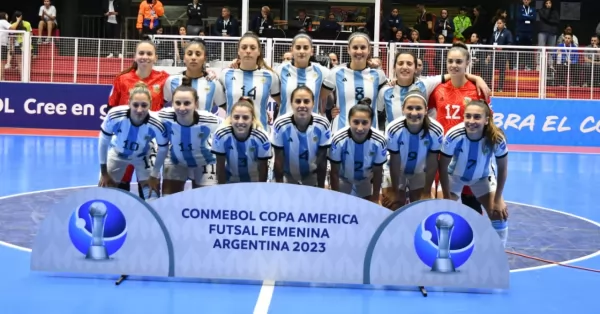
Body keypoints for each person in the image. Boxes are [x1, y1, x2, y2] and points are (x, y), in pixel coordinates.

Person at [428, 42, 490, 213]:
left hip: (468, 152)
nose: (454, 65)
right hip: (444, 154)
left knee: (471, 201)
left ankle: (473, 235)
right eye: (451, 61)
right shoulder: (437, 90)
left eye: (458, 61)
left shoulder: (477, 90)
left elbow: (486, 121)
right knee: (444, 202)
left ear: (467, 63)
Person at [439, 100, 509, 247]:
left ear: (486, 120)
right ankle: (446, 252)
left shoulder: (496, 138)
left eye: (477, 117)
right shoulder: (454, 135)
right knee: (443, 213)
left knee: (499, 214)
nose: (471, 121)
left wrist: (497, 199)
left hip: (482, 178)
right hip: (455, 176)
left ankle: (498, 252)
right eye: (468, 116)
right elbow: (443, 166)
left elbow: (502, 169)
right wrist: (446, 197)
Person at [108, 39, 169, 194]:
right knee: (121, 183)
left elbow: (187, 81)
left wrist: (207, 72)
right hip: (125, 141)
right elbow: (111, 108)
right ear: (135, 56)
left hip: (150, 143)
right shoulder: (122, 79)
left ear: (155, 57)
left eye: (149, 53)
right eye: (141, 53)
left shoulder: (164, 79)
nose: (145, 57)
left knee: (149, 187)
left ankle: (148, 215)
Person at [378, 50, 489, 127]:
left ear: (415, 68)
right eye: (400, 63)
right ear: (394, 67)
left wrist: (476, 78)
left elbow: (453, 73)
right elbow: (377, 116)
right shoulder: (385, 91)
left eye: (409, 63)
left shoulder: (425, 84)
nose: (405, 67)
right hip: (391, 146)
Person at [98, 82, 169, 199]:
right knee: (105, 193)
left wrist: (154, 175)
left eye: (144, 105)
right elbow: (103, 141)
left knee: (152, 196)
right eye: (135, 105)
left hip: (144, 155)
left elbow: (163, 148)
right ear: (129, 103)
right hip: (118, 153)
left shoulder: (157, 122)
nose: (139, 110)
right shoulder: (115, 115)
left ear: (150, 105)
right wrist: (104, 173)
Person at [158, 80, 222, 195]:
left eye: (187, 103)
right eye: (177, 103)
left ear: (196, 104)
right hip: (176, 160)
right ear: (172, 103)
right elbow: (145, 117)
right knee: (168, 200)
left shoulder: (210, 120)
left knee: (205, 204)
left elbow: (230, 128)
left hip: (205, 161)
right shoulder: (164, 115)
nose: (182, 108)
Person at [384, 89, 444, 210]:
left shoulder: (436, 130)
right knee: (393, 205)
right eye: (410, 108)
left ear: (426, 110)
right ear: (403, 109)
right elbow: (394, 161)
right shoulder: (393, 129)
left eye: (418, 108)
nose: (414, 112)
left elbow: (433, 162)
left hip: (421, 172)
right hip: (397, 171)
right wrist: (395, 190)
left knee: (423, 206)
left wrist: (427, 191)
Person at [321, 32, 388, 132]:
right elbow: (321, 96)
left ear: (369, 50)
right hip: (341, 132)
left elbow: (387, 97)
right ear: (348, 49)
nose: (359, 51)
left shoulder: (378, 75)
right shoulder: (336, 72)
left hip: (370, 132)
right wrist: (328, 112)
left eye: (363, 47)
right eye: (355, 47)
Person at [328, 99, 387, 203]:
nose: (360, 128)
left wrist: (375, 198)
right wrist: (335, 198)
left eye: (365, 123)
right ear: (349, 121)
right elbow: (334, 172)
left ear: (371, 122)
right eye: (356, 122)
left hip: (365, 180)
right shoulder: (338, 139)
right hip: (343, 178)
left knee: (366, 212)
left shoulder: (379, 140)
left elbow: (378, 172)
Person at [271, 86, 331, 187]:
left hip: (312, 174)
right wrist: (279, 187)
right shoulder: (280, 124)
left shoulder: (323, 124)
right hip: (286, 174)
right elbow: (278, 160)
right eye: (298, 101)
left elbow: (322, 160)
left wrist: (320, 189)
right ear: (291, 104)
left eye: (306, 101)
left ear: (313, 104)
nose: (302, 105)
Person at [219, 32, 281, 130]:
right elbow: (217, 101)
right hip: (231, 133)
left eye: (252, 48)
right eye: (244, 47)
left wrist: (260, 112)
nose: (248, 51)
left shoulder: (270, 76)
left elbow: (283, 104)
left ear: (259, 52)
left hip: (260, 134)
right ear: (238, 51)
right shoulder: (225, 74)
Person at [211, 98, 272, 183]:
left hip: (254, 180)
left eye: (245, 118)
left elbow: (263, 168)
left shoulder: (261, 137)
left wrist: (260, 189)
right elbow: (220, 167)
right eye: (236, 117)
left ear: (252, 119)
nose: (240, 121)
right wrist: (222, 190)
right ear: (231, 118)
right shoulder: (221, 135)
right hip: (230, 179)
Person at [164, 39, 226, 111]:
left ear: (204, 59)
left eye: (198, 54)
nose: (193, 57)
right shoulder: (171, 81)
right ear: (184, 58)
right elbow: (166, 107)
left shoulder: (214, 83)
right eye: (189, 54)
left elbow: (222, 109)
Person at [277, 33, 329, 117]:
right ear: (292, 50)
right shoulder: (280, 70)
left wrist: (336, 107)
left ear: (312, 51)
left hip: (312, 126)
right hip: (284, 126)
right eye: (298, 48)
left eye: (305, 48)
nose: (301, 51)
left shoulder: (322, 71)